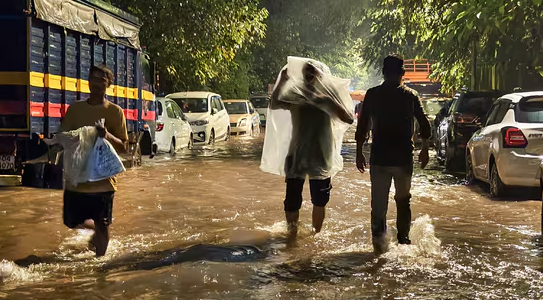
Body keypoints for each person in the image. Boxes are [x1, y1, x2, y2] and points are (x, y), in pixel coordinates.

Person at [355, 54, 431, 255]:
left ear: (383, 72)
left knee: (378, 204)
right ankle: (404, 243)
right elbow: (424, 124)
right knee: (403, 200)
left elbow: (362, 125)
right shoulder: (410, 96)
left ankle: (378, 250)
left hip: (379, 158)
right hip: (402, 159)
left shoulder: (372, 95)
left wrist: (359, 153)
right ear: (402, 74)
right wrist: (424, 149)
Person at [270, 63, 354, 236]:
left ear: (319, 76)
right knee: (292, 200)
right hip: (297, 154)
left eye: (312, 73)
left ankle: (315, 236)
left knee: (319, 200)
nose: (309, 77)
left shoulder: (326, 98)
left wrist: (330, 103)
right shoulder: (296, 96)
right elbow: (274, 104)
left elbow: (349, 119)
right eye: (306, 73)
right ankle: (292, 237)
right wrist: (282, 81)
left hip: (320, 153)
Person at [61, 65, 128, 257]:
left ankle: (100, 267)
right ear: (88, 82)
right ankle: (96, 230)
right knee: (71, 221)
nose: (97, 84)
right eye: (94, 79)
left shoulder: (115, 112)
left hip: (104, 183)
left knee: (103, 224)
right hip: (77, 181)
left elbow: (124, 147)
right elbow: (63, 137)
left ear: (108, 85)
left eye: (102, 80)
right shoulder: (75, 110)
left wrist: (107, 135)